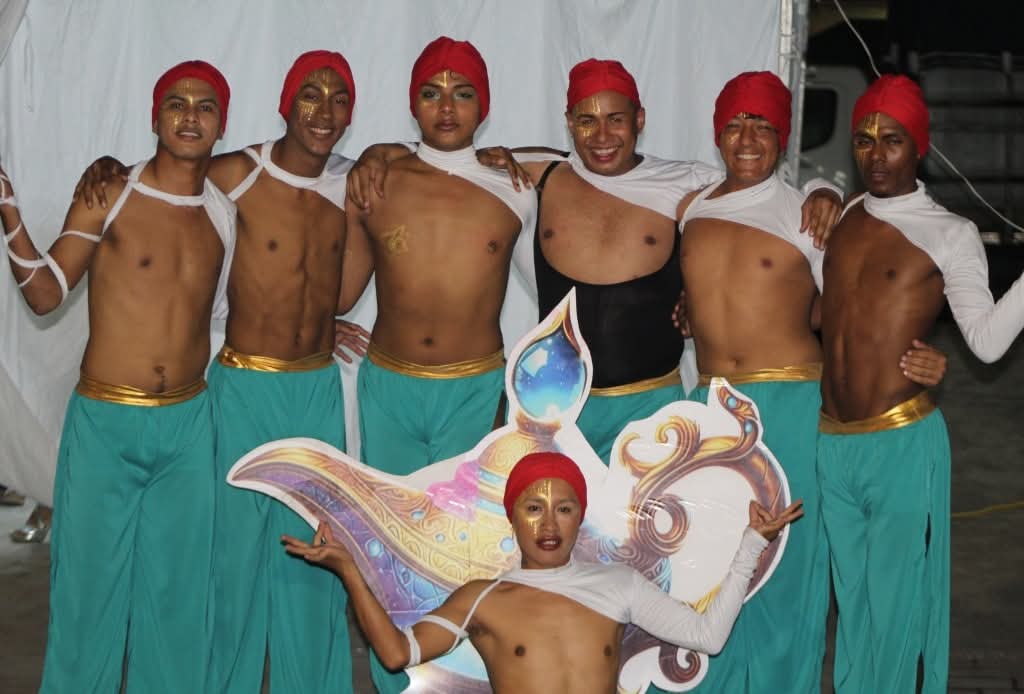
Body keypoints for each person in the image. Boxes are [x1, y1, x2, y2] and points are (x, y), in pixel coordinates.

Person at [347, 58, 844, 465]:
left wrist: (824, 191)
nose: (601, 135)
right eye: (586, 120)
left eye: (616, 119)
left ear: (640, 120)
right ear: (569, 124)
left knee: (650, 544)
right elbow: (447, 152)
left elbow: (759, 194)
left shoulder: (686, 184)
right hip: (562, 410)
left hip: (653, 406)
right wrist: (380, 151)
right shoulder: (536, 175)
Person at [75, 50, 367, 693]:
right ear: (285, 105)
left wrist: (326, 318)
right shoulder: (236, 173)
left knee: (314, 553)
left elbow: (335, 281)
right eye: (310, 94)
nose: (323, 110)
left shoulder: (355, 182)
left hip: (316, 389)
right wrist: (107, 167)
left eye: (339, 98)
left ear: (352, 113)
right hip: (242, 387)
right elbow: (164, 174)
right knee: (229, 560)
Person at [675, 71, 948, 694]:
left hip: (791, 405)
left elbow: (858, 309)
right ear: (717, 134)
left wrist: (928, 358)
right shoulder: (691, 207)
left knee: (788, 571)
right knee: (710, 565)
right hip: (712, 408)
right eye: (735, 125)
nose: (747, 139)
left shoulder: (811, 216)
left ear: (783, 136)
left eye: (763, 126)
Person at [0, 61, 235, 692]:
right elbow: (46, 293)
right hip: (106, 423)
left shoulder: (223, 214)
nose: (191, 116)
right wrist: (9, 210)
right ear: (155, 117)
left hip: (188, 428)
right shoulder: (111, 191)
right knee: (87, 597)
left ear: (223, 123)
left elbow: (219, 315)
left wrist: (328, 326)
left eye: (206, 106)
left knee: (178, 597)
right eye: (177, 104)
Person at [818, 74, 1024, 694]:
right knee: (852, 604)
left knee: (894, 607)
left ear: (919, 146)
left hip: (898, 442)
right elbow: (823, 312)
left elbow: (987, 342)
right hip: (830, 442)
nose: (876, 155)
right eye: (864, 140)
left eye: (892, 140)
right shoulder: (846, 213)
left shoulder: (949, 232)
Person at [339, 37, 538, 691]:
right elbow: (341, 292)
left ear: (484, 105)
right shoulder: (377, 181)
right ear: (412, 104)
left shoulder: (516, 186)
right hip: (389, 387)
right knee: (393, 546)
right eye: (432, 93)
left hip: (472, 389)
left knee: (464, 549)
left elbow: (561, 279)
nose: (447, 107)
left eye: (463, 93)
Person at [282, 451, 804, 694]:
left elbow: (708, 637)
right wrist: (348, 569)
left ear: (580, 517)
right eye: (534, 508)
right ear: (512, 516)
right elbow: (398, 654)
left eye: (564, 509)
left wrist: (751, 544)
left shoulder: (617, 584)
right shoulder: (483, 597)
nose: (549, 524)